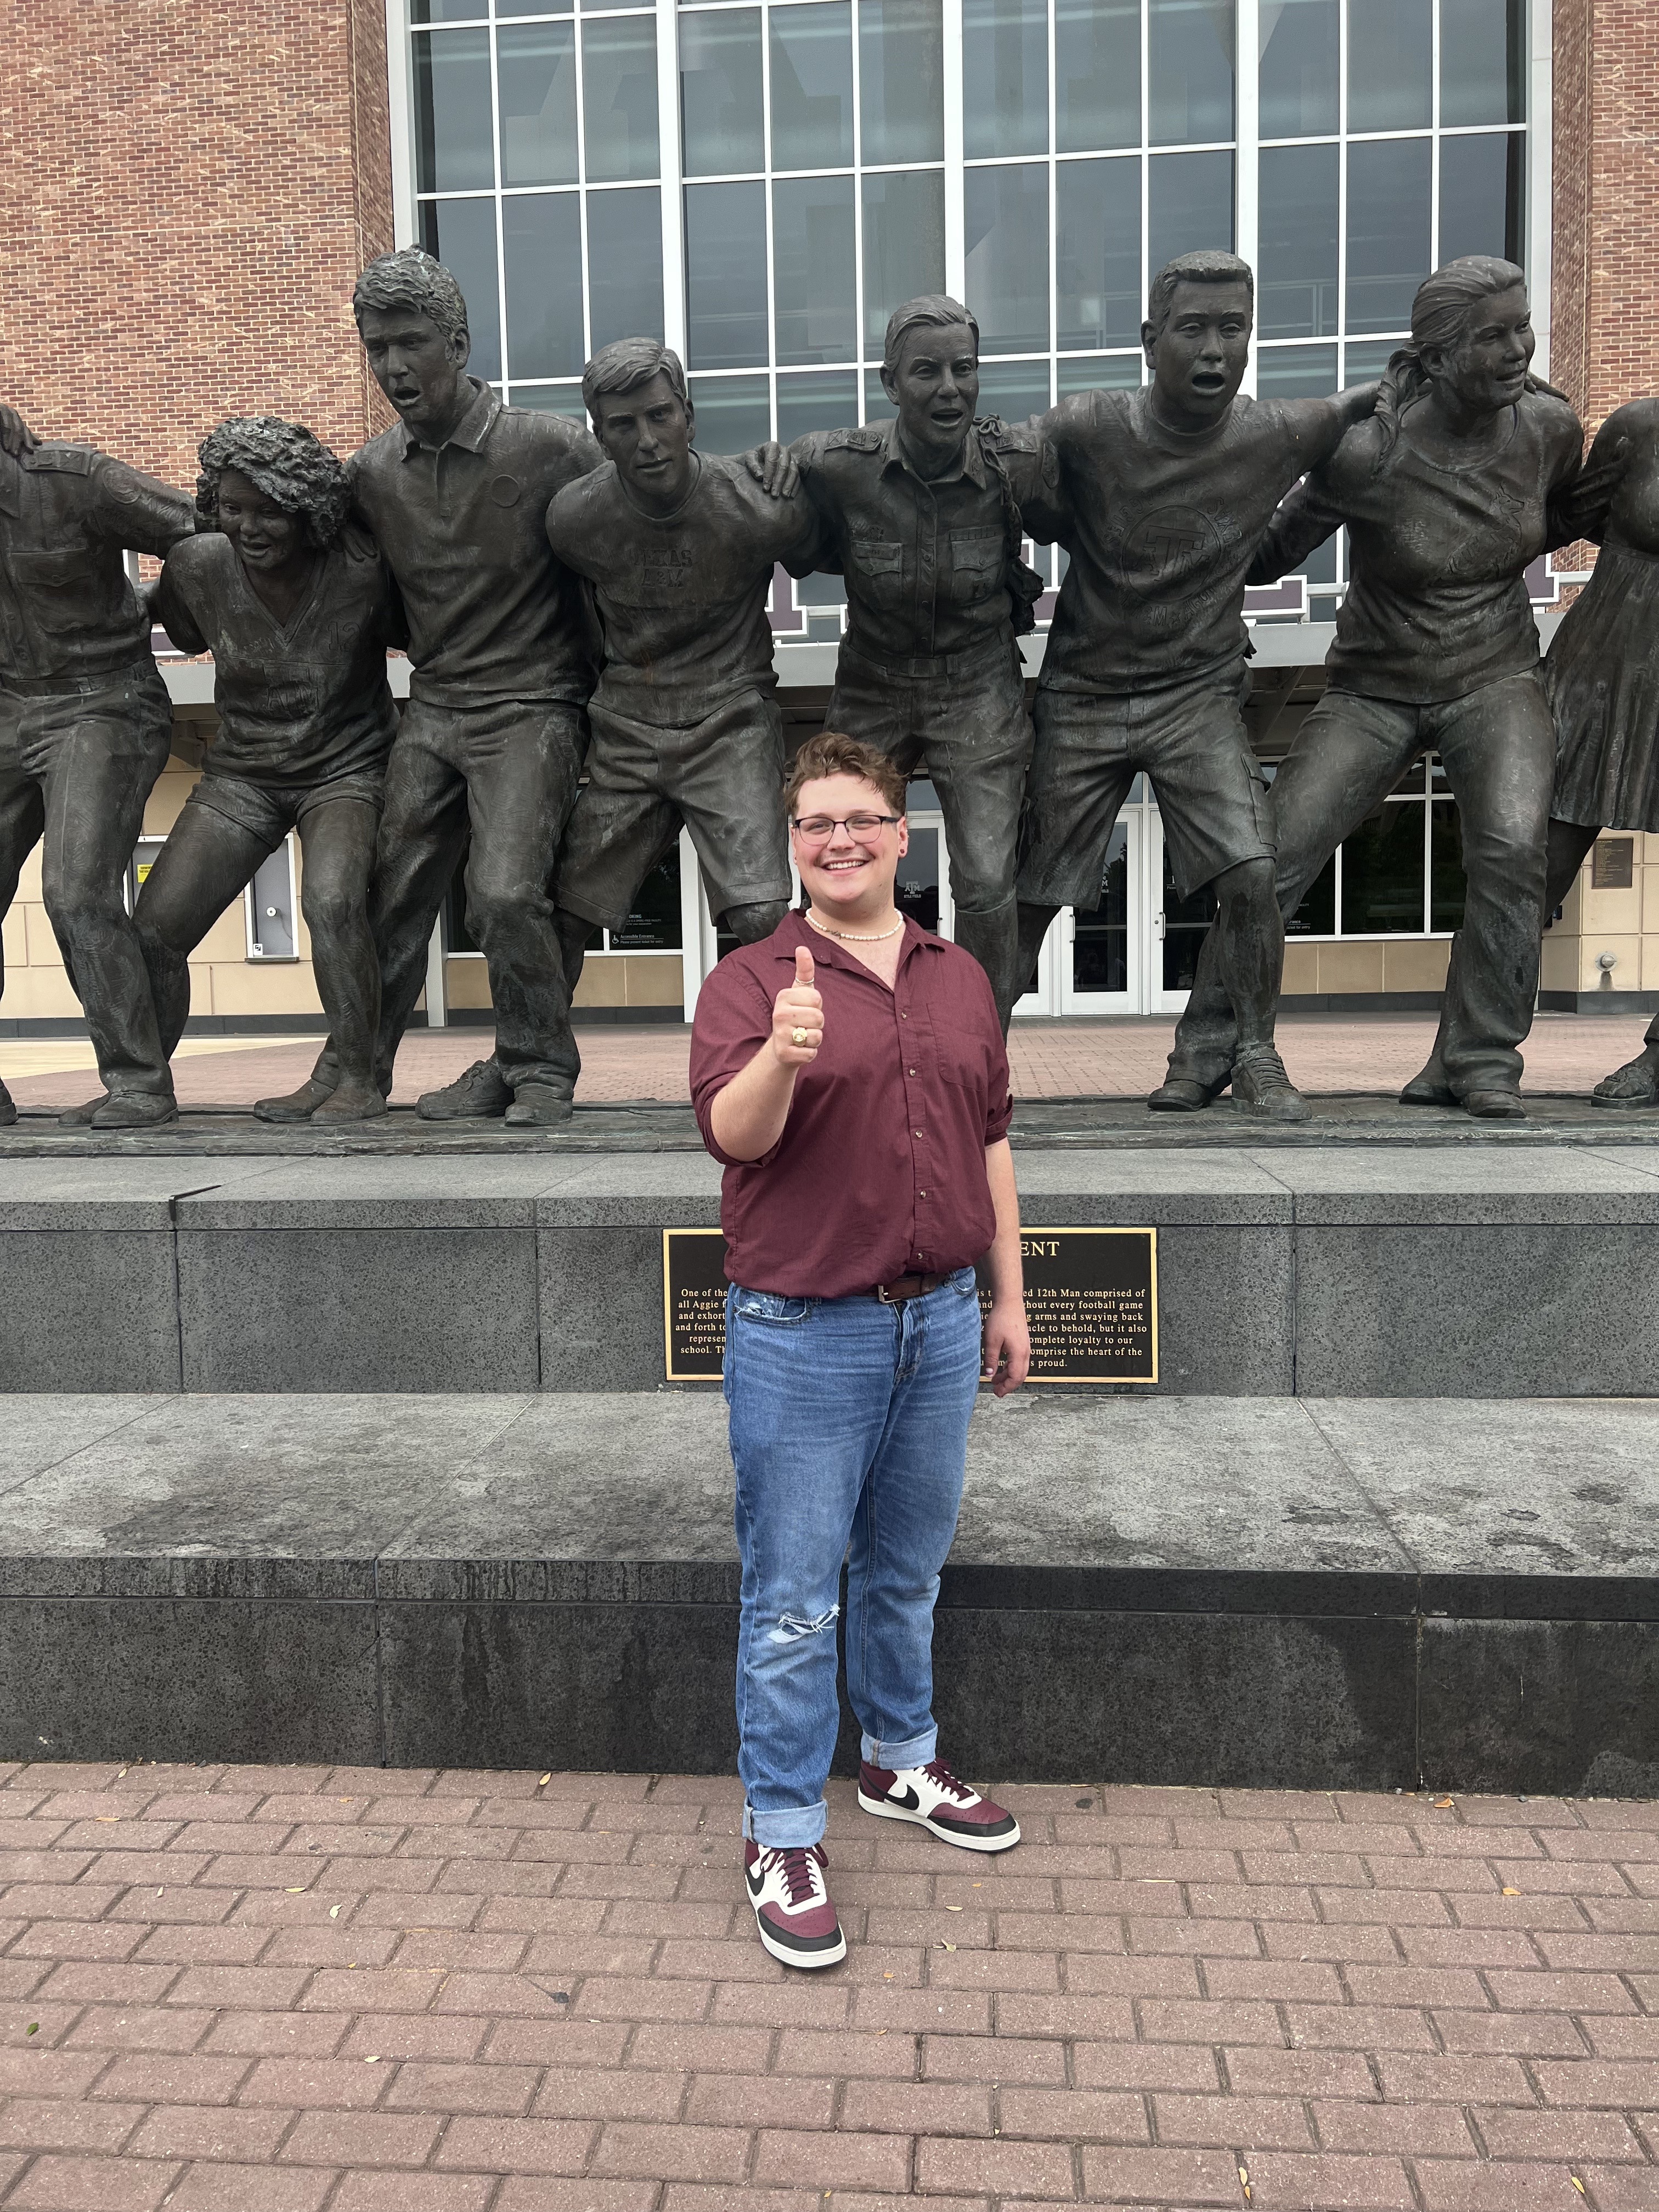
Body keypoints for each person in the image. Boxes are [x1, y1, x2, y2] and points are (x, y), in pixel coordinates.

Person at [690, 729, 1030, 1971]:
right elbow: (733, 1140)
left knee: (906, 1568)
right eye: (817, 824)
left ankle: (899, 1761)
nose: (841, 841)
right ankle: (781, 1828)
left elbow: (990, 1138)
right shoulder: (750, 983)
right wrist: (781, 1061)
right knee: (791, 1598)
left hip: (937, 1322)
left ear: (902, 833)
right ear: (795, 846)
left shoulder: (959, 976)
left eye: (863, 820)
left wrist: (1007, 1297)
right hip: (803, 1333)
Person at [1164, 256, 1585, 1121]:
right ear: (1434, 358)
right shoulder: (1367, 449)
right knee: (1273, 856)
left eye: (1522, 327)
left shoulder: (1549, 430)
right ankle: (1209, 1050)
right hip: (1374, 687)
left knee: (1513, 849)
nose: (1517, 349)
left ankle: (1476, 1059)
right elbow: (1270, 552)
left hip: (1496, 672)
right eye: (1492, 336)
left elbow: (1571, 518)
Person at [1014, 251, 1378, 1121]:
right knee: (1031, 896)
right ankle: (970, 1060)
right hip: (1086, 693)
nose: (1216, 350)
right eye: (1194, 329)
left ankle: (1252, 1053)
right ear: (1149, 339)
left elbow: (1372, 414)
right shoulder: (1086, 427)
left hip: (1196, 697)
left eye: (1234, 329)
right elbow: (997, 477)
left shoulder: (1281, 431)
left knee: (1251, 875)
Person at [260, 247, 606, 1129]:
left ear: (456, 341)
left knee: (502, 892)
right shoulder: (372, 475)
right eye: (377, 349)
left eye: (410, 343)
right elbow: (316, 568)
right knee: (383, 892)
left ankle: (537, 1069)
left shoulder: (553, 448)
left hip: (535, 706)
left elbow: (621, 566)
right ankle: (356, 1069)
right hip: (437, 706)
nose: (393, 367)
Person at [541, 338, 825, 1097]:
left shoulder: (753, 504)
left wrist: (796, 461)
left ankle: (793, 1072)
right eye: (622, 424)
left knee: (763, 912)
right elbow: (573, 626)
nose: (646, 439)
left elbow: (832, 545)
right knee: (565, 908)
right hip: (628, 725)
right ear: (598, 434)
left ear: (689, 416)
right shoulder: (575, 519)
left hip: (730, 717)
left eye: (660, 416)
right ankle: (533, 1066)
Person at [789, 297, 1057, 1030]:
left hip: (979, 691)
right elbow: (750, 506)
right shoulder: (839, 468)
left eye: (963, 370)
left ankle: (980, 1048)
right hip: (874, 687)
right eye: (927, 372)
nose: (949, 388)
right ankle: (842, 1034)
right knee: (837, 857)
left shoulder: (1020, 467)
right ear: (889, 382)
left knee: (984, 878)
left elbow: (1110, 514)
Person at [135, 418, 404, 1119]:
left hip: (346, 768)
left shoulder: (363, 571)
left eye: (269, 511)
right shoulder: (198, 565)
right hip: (243, 775)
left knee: (333, 903)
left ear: (307, 511)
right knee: (156, 927)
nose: (248, 527)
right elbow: (174, 627)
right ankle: (142, 1084)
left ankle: (357, 1080)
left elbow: (434, 635)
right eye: (232, 508)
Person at [0, 406, 197, 1129]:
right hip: (7, 707)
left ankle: (139, 1080)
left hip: (105, 701)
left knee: (76, 889)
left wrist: (171, 611)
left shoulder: (76, 482)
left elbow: (201, 531)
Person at [1538, 397, 1659, 1108]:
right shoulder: (1639, 430)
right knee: (1531, 861)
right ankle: (1472, 1051)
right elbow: (1547, 525)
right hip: (1600, 670)